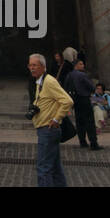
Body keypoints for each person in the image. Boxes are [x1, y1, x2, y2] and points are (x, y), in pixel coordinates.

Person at [28, 52, 72, 187]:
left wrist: (56, 119)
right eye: (30, 65)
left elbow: (67, 101)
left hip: (48, 130)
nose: (31, 68)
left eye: (34, 65)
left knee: (43, 168)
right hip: (46, 130)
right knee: (55, 167)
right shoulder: (40, 82)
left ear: (43, 66)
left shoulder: (49, 81)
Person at [63, 59, 100, 150]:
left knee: (79, 122)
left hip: (75, 100)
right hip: (84, 99)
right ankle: (93, 143)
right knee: (89, 122)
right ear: (76, 65)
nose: (83, 65)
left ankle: (82, 141)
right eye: (81, 64)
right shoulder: (82, 75)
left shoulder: (69, 75)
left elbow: (65, 88)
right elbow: (91, 87)